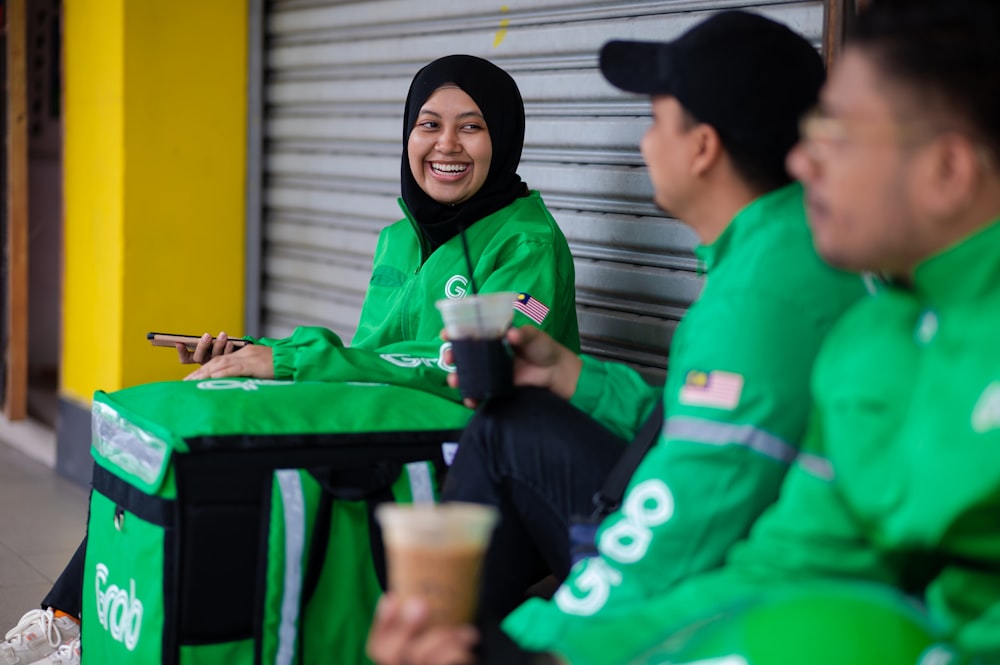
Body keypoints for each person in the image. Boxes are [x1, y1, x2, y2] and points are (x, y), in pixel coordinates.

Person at [402, 1, 1000, 663]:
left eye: (840, 136)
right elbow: (783, 561)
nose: (804, 164)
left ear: (949, 169)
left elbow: (696, 520)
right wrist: (533, 654)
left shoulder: (771, 288)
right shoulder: (879, 332)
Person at [0, 54, 580, 665]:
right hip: (398, 430)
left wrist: (294, 362)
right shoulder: (400, 237)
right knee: (191, 421)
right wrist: (263, 355)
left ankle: (135, 634)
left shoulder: (528, 244)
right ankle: (69, 616)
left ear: (505, 138)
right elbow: (372, 362)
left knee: (233, 462)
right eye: (429, 123)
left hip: (479, 453)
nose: (447, 145)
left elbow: (462, 369)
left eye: (472, 126)